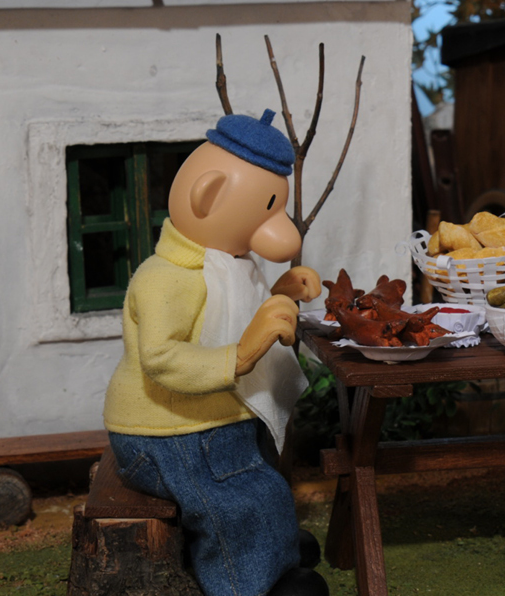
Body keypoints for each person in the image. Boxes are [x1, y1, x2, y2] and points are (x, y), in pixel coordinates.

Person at [103, 109, 329, 596]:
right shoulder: (164, 279)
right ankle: (250, 583)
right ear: (208, 197)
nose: (281, 230)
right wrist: (240, 355)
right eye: (267, 209)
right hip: (169, 435)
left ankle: (274, 547)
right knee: (236, 499)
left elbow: (235, 314)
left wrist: (281, 293)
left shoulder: (226, 264)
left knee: (261, 480)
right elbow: (162, 359)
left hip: (212, 423)